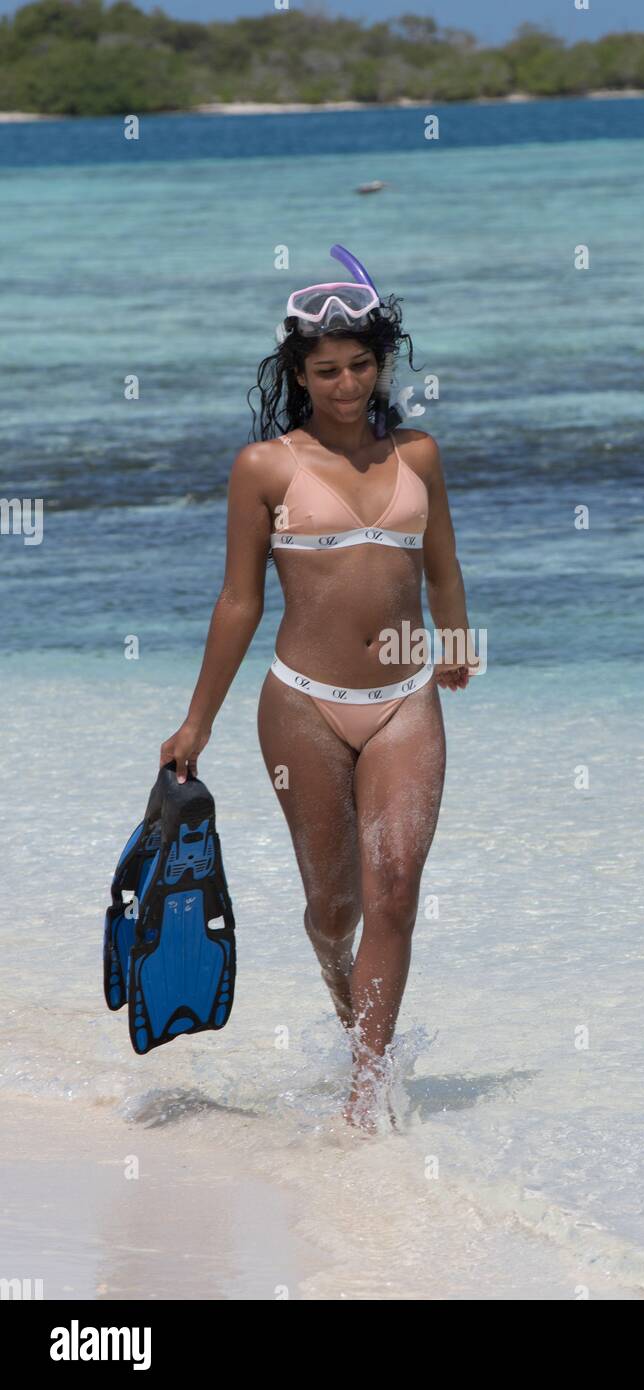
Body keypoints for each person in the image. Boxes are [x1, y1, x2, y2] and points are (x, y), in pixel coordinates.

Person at [159, 260, 480, 1130]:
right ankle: (347, 1005)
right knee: (335, 906)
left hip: (407, 697)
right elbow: (239, 601)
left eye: (362, 365)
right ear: (297, 374)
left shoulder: (419, 455)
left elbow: (442, 567)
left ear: (384, 364)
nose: (347, 384)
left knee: (397, 888)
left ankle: (366, 1088)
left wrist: (454, 643)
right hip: (300, 701)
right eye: (327, 369)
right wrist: (197, 720)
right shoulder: (263, 467)